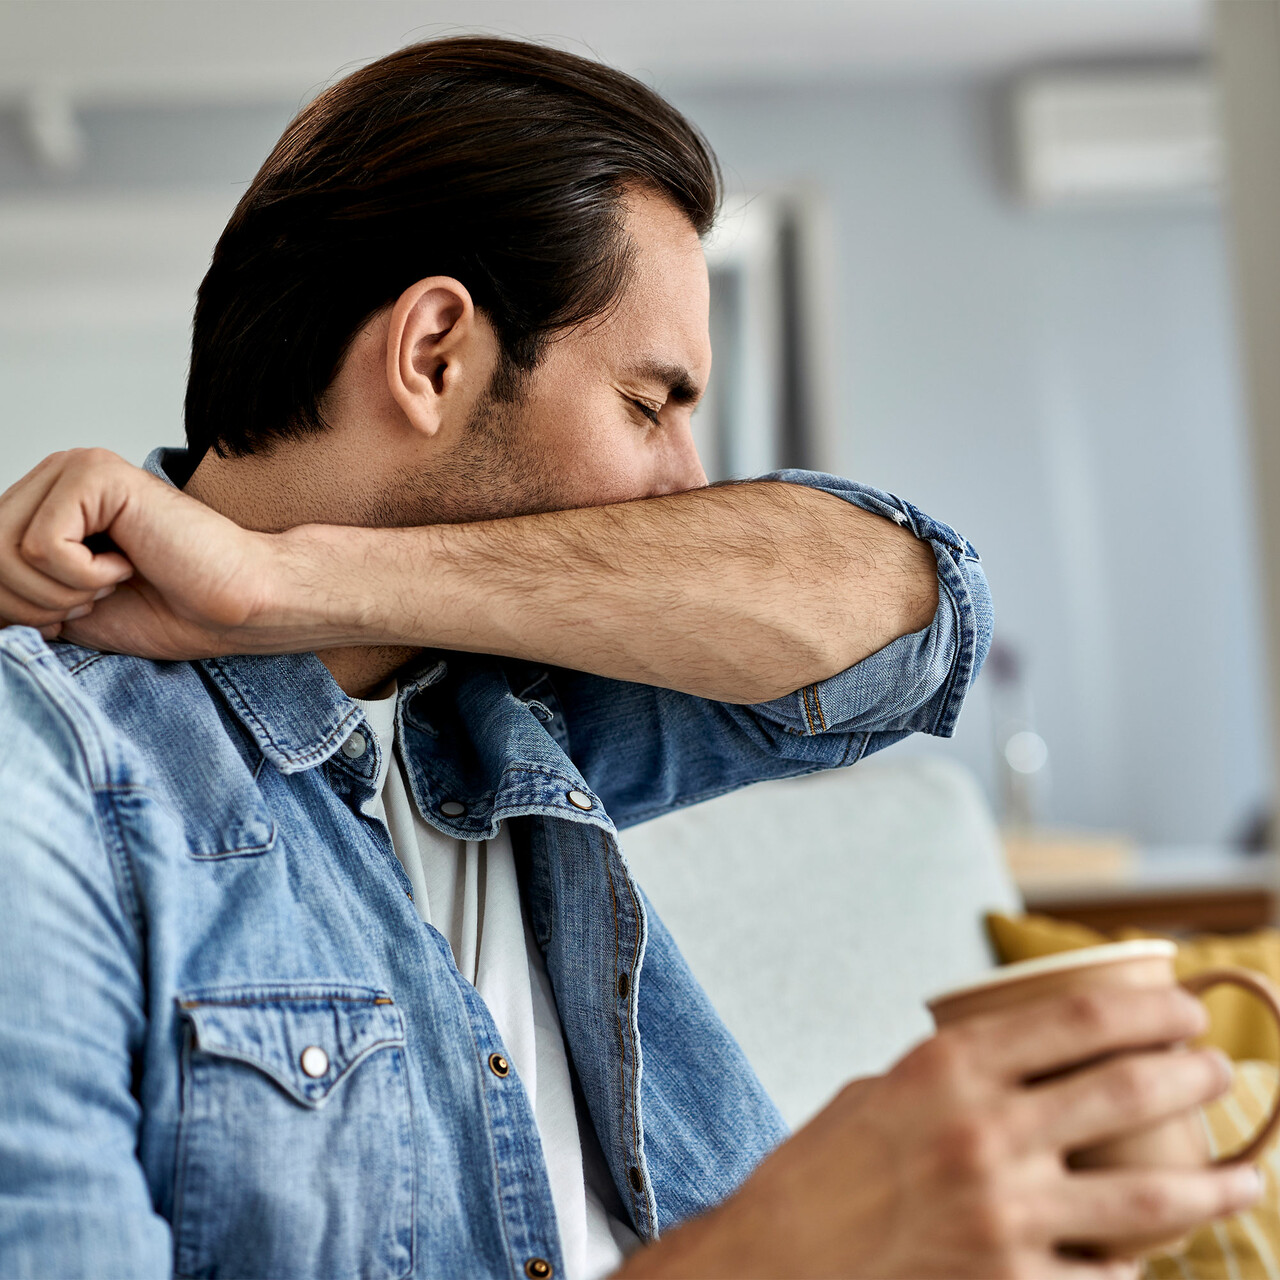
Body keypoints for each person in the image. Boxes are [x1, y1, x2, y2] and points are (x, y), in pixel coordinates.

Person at [0, 36, 1257, 1280]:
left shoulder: (513, 697)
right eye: (647, 404)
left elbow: (914, 618)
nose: (687, 482)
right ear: (434, 354)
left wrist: (279, 581)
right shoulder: (49, 773)